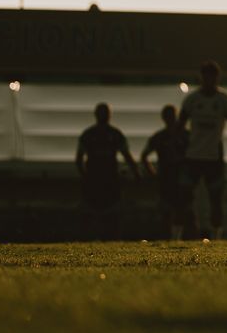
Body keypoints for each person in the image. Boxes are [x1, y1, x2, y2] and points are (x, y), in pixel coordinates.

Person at [178, 60, 227, 240]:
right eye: (206, 76)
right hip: (192, 156)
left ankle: (216, 236)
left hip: (214, 157)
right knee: (184, 197)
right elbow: (180, 125)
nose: (209, 80)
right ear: (201, 77)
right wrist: (178, 147)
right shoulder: (192, 100)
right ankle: (182, 234)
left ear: (217, 78)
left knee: (216, 198)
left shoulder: (223, 100)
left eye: (212, 77)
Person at [76, 102, 139, 240]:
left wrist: (85, 176)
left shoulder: (89, 134)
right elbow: (127, 156)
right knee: (110, 214)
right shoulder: (114, 134)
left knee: (99, 213)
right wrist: (136, 173)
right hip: (107, 179)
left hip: (98, 179)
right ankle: (109, 239)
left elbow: (79, 159)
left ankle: (95, 239)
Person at [140, 104, 190, 240]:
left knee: (180, 208)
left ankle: (176, 236)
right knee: (169, 208)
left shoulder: (184, 136)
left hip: (180, 177)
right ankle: (170, 236)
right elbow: (144, 156)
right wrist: (153, 173)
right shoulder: (162, 137)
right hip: (168, 177)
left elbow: (144, 156)